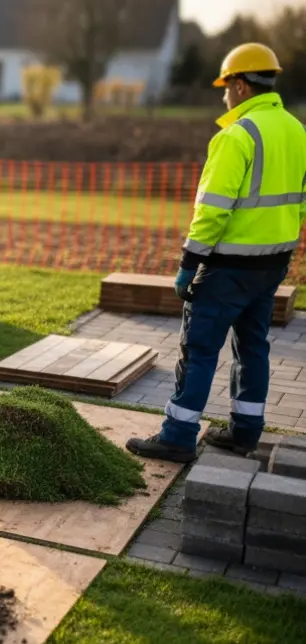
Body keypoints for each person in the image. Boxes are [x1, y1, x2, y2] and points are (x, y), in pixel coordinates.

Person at [128, 42, 306, 463]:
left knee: (200, 348)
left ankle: (177, 435)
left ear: (241, 86)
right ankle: (245, 433)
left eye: (226, 87)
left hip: (227, 267)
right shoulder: (297, 131)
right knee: (253, 345)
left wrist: (189, 264)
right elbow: (300, 201)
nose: (224, 95)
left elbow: (212, 211)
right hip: (273, 262)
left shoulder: (237, 136)